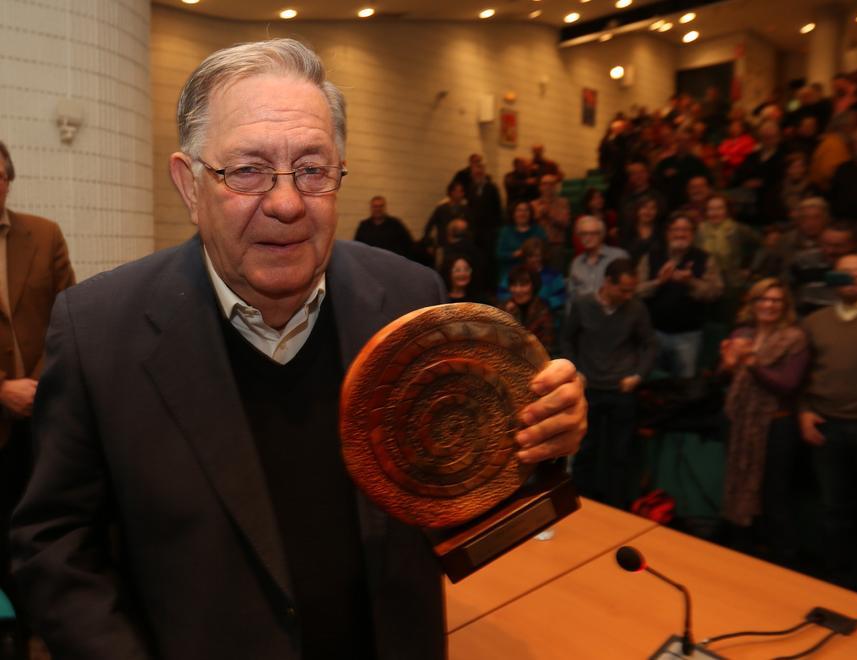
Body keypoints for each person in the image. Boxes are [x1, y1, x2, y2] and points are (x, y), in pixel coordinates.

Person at [10, 39, 587, 660]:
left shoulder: (410, 297)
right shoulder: (100, 332)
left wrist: (538, 437)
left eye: (312, 169)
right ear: (190, 183)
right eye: (248, 170)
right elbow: (53, 543)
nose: (286, 203)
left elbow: (463, 496)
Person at [0, 141, 75, 621]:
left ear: (7, 180)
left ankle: (40, 624)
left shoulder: (44, 236)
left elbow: (69, 316)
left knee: (43, 529)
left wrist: (37, 384)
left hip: (45, 414)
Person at [800, 253, 857, 598]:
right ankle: (840, 584)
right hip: (827, 426)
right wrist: (803, 410)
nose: (851, 280)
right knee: (834, 509)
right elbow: (801, 373)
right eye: (843, 274)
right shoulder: (816, 321)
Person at [718, 279, 808, 566]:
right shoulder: (744, 333)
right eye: (763, 300)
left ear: (785, 306)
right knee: (738, 486)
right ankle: (743, 554)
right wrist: (728, 363)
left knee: (773, 496)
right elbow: (722, 377)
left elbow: (787, 384)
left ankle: (784, 560)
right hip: (741, 422)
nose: (769, 305)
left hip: (774, 426)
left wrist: (752, 362)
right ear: (753, 303)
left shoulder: (794, 338)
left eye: (776, 301)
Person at [562, 258, 656, 509]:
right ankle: (580, 503)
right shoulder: (583, 305)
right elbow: (567, 340)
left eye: (631, 290)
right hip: (590, 386)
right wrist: (575, 370)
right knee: (585, 450)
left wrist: (638, 375)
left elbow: (650, 344)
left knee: (620, 453)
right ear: (607, 283)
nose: (628, 295)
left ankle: (616, 507)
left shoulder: (636, 309)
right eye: (623, 290)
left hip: (621, 388)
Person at [637, 215, 723, 378]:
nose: (680, 234)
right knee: (653, 384)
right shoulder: (651, 257)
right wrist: (658, 282)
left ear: (692, 233)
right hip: (655, 334)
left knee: (685, 386)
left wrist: (690, 281)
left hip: (689, 336)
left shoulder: (705, 259)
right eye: (676, 229)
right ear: (668, 233)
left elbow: (715, 293)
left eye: (685, 230)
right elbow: (636, 291)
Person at [567, 216, 627, 302]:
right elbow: (571, 296)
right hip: (584, 313)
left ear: (602, 235)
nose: (588, 237)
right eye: (584, 234)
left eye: (593, 233)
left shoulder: (618, 256)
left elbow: (627, 291)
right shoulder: (576, 263)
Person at [501, 264, 555, 353]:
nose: (517, 290)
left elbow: (545, 347)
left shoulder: (542, 310)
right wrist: (508, 317)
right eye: (514, 285)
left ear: (533, 286)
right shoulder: (503, 308)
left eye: (523, 285)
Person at [495, 200, 547, 281]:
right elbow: (499, 254)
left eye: (526, 210)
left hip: (534, 274)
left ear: (530, 213)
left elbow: (545, 252)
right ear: (513, 214)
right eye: (519, 210)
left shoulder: (538, 231)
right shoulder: (505, 231)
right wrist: (514, 254)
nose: (522, 213)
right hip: (511, 273)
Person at [530, 173, 571, 272]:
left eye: (551, 184)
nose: (548, 187)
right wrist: (538, 215)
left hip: (556, 246)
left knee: (555, 276)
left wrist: (549, 214)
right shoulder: (533, 204)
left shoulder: (563, 203)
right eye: (544, 184)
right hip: (538, 247)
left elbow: (566, 223)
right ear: (540, 187)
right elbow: (529, 225)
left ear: (556, 186)